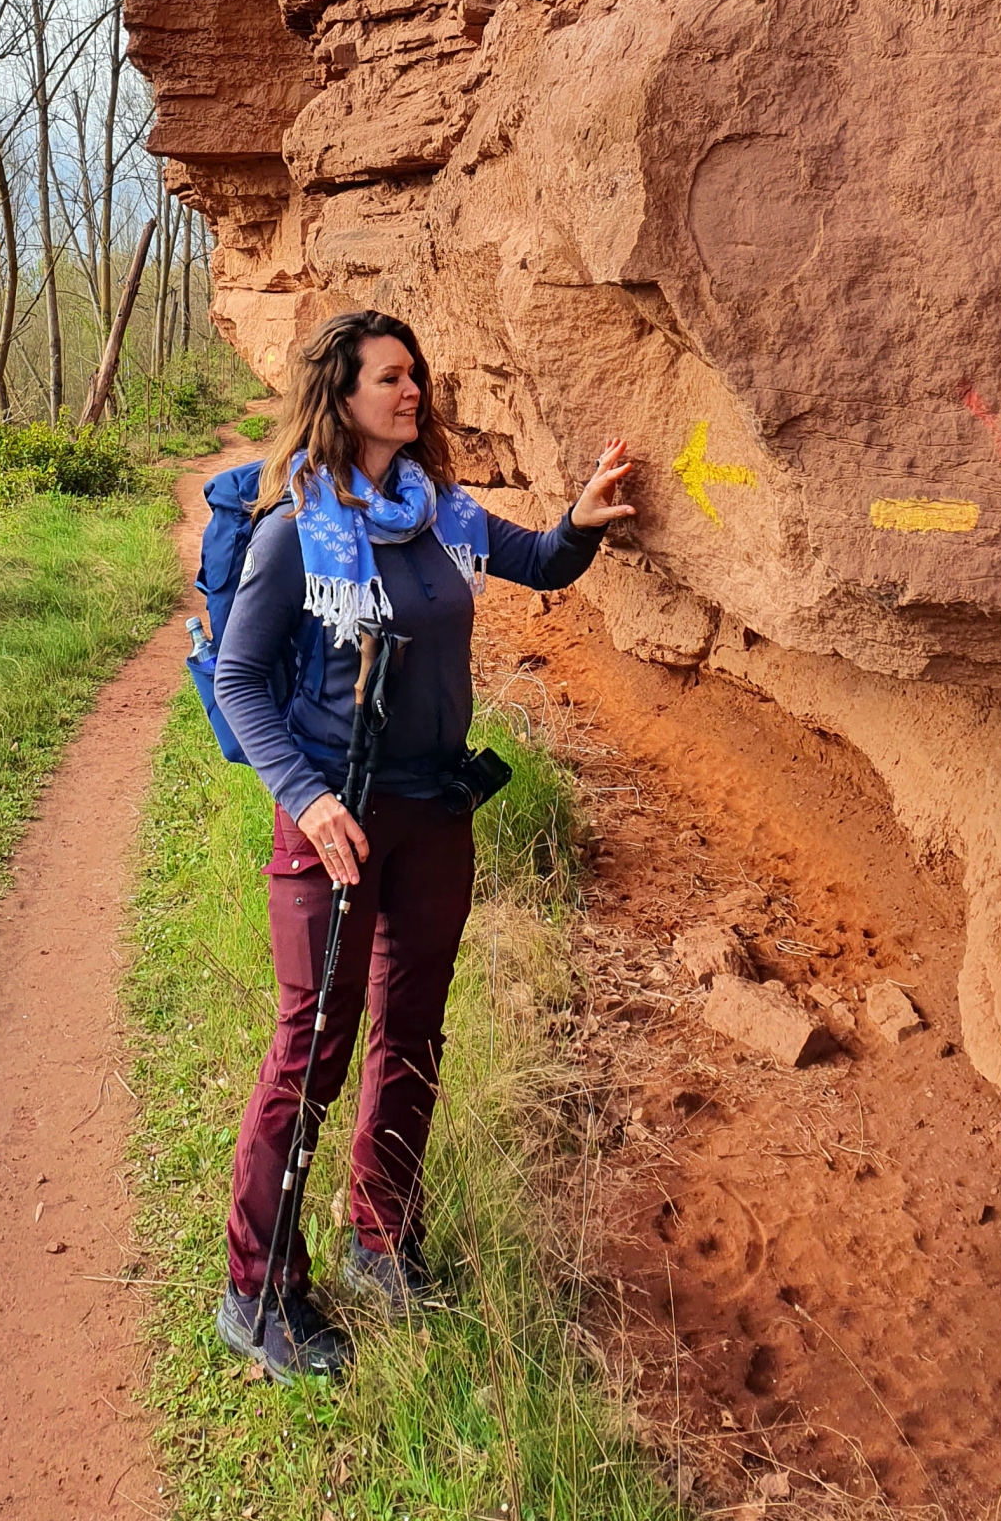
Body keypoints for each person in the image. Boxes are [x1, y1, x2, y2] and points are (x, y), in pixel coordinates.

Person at [211, 307, 635, 1381]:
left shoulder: (440, 512)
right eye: (391, 377)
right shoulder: (291, 530)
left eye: (416, 375)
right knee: (311, 1049)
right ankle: (257, 1288)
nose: (413, 391)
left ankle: (380, 1240)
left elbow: (537, 563)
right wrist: (306, 801)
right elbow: (241, 683)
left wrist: (579, 520)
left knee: (412, 1033)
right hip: (337, 823)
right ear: (340, 395)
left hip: (434, 810)